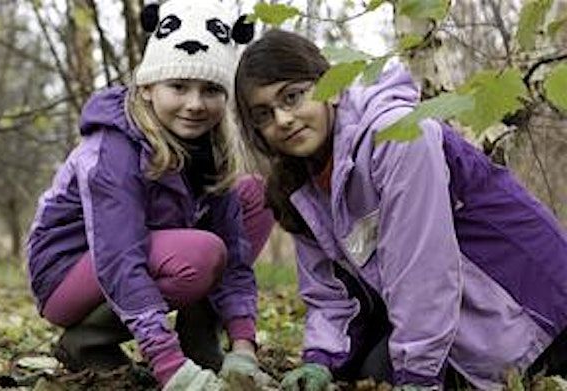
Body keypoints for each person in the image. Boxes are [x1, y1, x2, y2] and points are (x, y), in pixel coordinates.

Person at [233, 29, 567, 390]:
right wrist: (321, 359)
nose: (282, 119)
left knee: (393, 371)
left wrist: (419, 376)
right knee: (367, 371)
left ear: (330, 86)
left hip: (534, 316)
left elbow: (424, 269)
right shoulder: (303, 185)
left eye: (293, 97)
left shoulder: (399, 136)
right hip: (455, 319)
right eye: (264, 115)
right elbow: (330, 293)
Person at [26, 1, 276, 389]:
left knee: (255, 196)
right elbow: (118, 255)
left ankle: (201, 342)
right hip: (68, 271)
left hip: (145, 249)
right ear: (146, 87)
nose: (195, 104)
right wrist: (167, 365)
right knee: (201, 253)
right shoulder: (112, 148)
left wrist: (244, 345)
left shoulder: (212, 147)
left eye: (211, 90)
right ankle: (87, 340)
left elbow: (236, 253)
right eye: (178, 86)